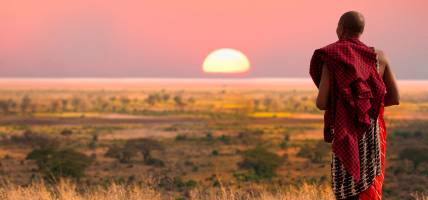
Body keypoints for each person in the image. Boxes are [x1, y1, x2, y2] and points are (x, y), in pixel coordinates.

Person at [309, 11, 400, 200]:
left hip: (345, 133)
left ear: (340, 29)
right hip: (370, 133)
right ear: (361, 31)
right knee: (366, 187)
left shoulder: (333, 57)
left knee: (346, 191)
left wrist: (344, 106)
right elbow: (394, 97)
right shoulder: (379, 56)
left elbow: (321, 102)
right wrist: (368, 108)